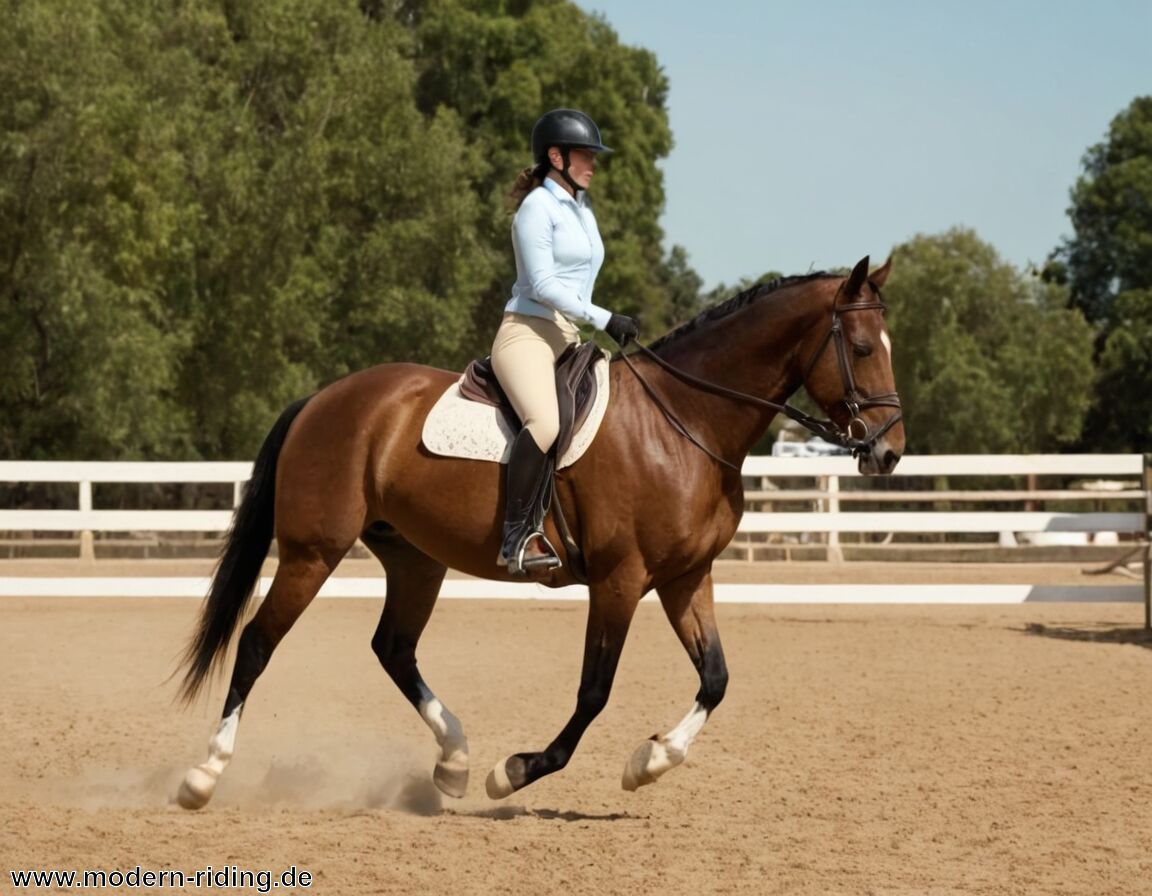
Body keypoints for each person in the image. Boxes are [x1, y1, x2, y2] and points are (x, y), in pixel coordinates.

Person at [491, 108, 639, 576]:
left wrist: (595, 321)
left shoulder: (582, 210)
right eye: (584, 155)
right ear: (556, 156)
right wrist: (605, 318)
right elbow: (543, 285)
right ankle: (516, 534)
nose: (592, 163)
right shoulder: (537, 208)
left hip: (569, 336)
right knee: (546, 421)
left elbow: (577, 285)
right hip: (528, 333)